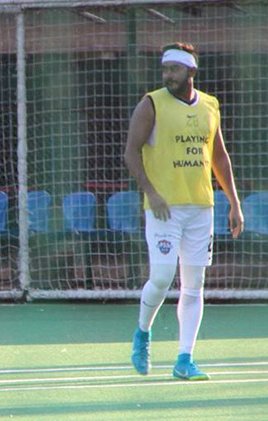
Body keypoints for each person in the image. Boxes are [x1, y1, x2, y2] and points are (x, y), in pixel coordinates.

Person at [124, 42, 244, 380]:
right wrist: (150, 192)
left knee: (194, 285)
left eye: (174, 69)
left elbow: (219, 157)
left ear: (191, 71)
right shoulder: (151, 104)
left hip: (200, 208)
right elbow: (131, 152)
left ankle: (184, 359)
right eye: (165, 69)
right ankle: (143, 333)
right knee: (162, 278)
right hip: (164, 209)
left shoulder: (209, 105)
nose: (168, 76)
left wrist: (234, 203)